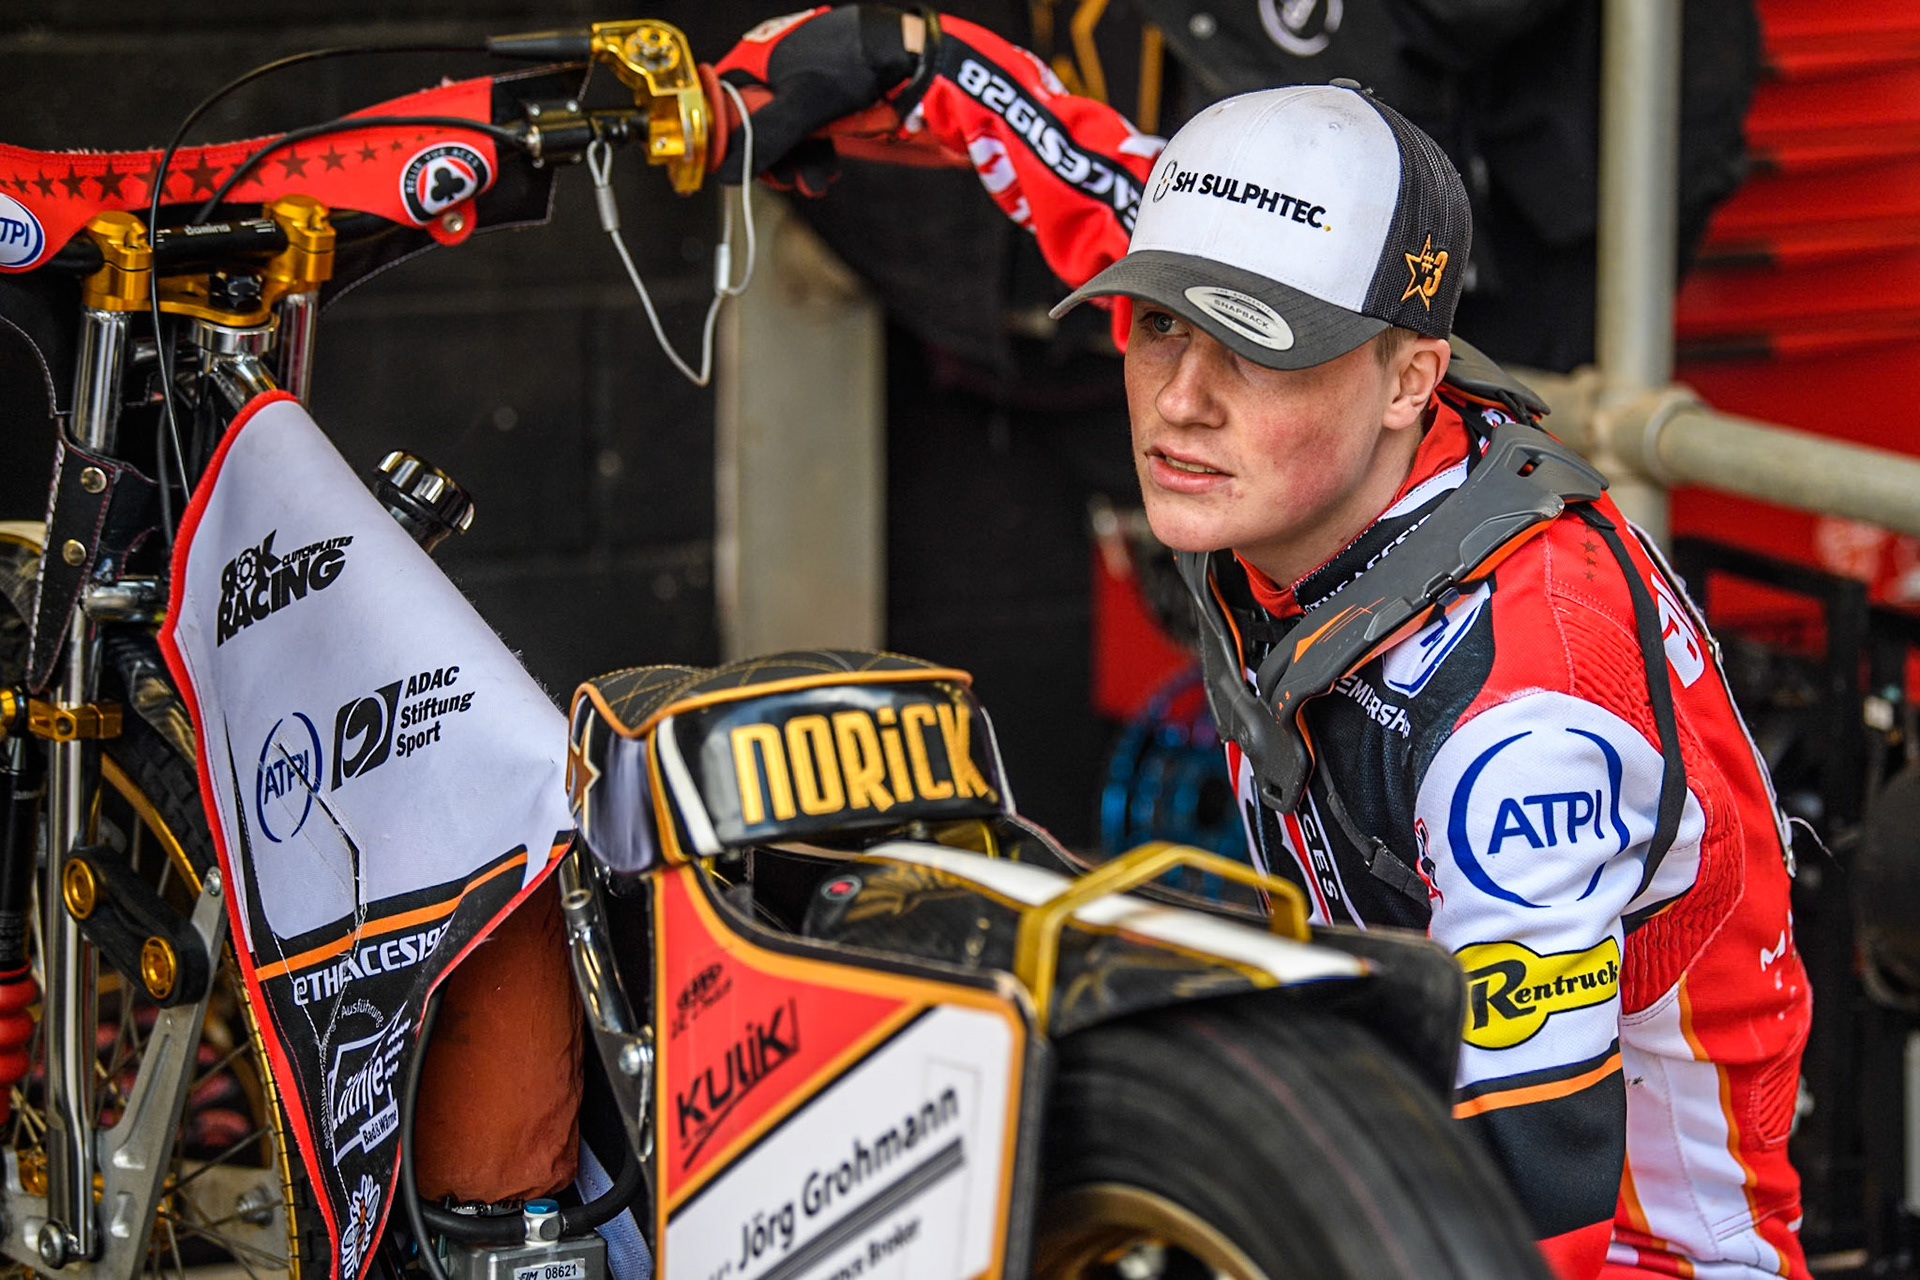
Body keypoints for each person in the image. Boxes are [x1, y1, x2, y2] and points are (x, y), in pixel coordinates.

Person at [704, 8, 1812, 1278]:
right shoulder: (1325, 433)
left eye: (1254, 345)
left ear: (1410, 377)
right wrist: (914, 60)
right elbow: (1090, 179)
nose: (1181, 399)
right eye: (1160, 325)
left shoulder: (1524, 723)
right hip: (1393, 1145)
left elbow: (1520, 1229)